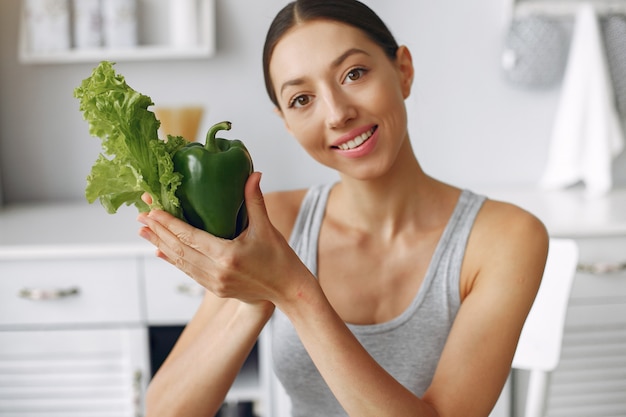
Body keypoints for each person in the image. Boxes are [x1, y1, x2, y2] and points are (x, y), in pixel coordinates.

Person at [137, 1, 549, 416]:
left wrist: (294, 293)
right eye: (301, 99)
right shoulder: (273, 225)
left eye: (354, 74)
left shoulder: (505, 237)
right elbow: (166, 412)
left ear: (403, 70)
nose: (337, 113)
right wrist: (253, 298)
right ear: (285, 121)